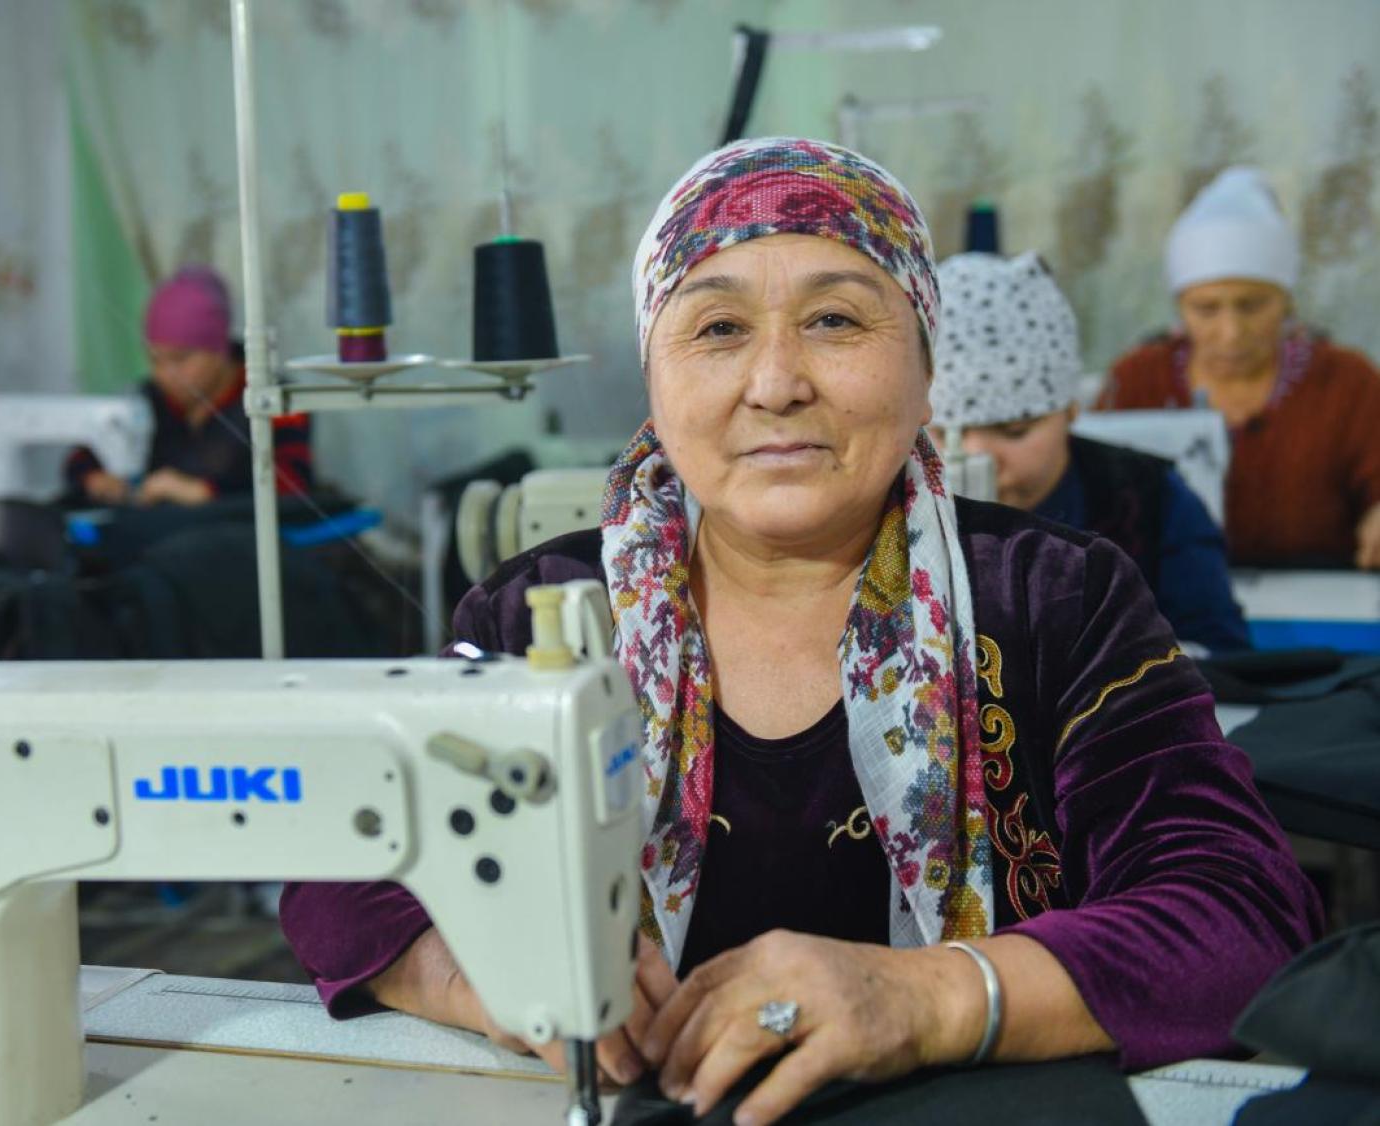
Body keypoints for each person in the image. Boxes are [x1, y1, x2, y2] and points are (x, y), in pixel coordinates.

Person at [280, 139, 1321, 1125]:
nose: (774, 381)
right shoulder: (534, 613)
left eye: (833, 320)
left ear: (924, 374)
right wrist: (497, 986)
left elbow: (1235, 907)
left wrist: (922, 1000)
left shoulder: (1056, 598)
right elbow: (338, 865)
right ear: (656, 378)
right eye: (717, 328)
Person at [928, 251, 1249, 653]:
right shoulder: (883, 511)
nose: (979, 458)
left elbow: (1223, 655)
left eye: (1014, 431)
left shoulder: (1153, 504)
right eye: (943, 434)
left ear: (1071, 409)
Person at [1100, 167, 1380, 569]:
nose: (1230, 332)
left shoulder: (1347, 382)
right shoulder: (1136, 381)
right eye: (1206, 309)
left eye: (1252, 306)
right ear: (1180, 308)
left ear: (1287, 302)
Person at [65, 266, 311, 507]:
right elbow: (80, 461)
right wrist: (95, 480)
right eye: (155, 359)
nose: (165, 373)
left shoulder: (275, 399)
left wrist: (205, 492)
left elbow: (292, 485)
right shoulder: (146, 399)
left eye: (180, 358)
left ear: (219, 350)